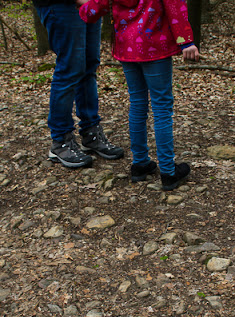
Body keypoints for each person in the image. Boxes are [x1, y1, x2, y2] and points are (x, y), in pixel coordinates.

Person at [77, 0, 199, 190]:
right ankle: (168, 171)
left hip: (127, 46)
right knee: (161, 107)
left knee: (138, 102)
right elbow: (175, 6)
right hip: (155, 46)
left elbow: (92, 10)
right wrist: (187, 41)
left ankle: (140, 163)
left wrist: (83, 7)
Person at [32, 0, 124, 168]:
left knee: (89, 67)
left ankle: (91, 133)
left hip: (90, 4)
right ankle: (61, 141)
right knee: (69, 69)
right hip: (60, 6)